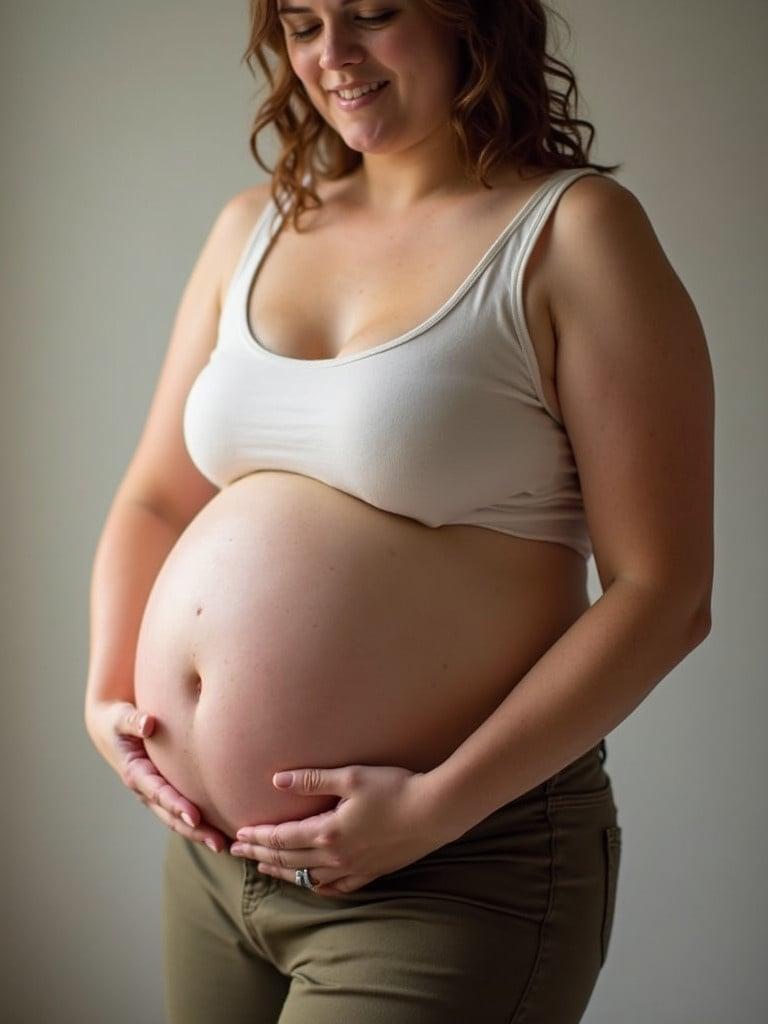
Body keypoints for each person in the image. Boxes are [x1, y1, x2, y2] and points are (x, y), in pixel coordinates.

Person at [84, 1, 714, 1021]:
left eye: (373, 13)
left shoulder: (572, 233)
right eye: (302, 22)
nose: (332, 56)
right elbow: (157, 496)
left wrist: (433, 809)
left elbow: (666, 591)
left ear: (473, 20)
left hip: (449, 866)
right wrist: (103, 692)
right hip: (209, 865)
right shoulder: (252, 226)